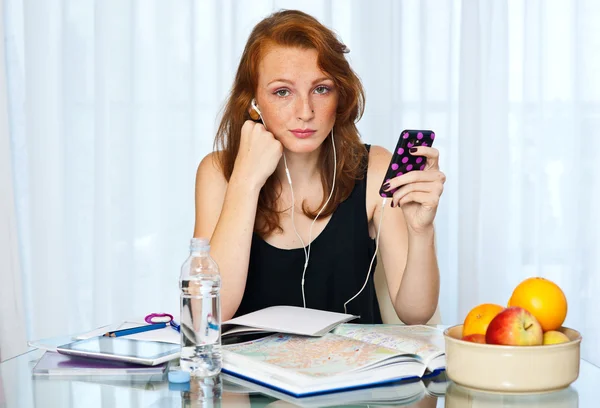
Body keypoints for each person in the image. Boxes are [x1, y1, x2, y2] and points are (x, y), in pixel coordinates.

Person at [193, 9, 445, 325]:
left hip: (354, 371)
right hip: (249, 374)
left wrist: (421, 230)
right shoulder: (218, 173)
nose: (306, 111)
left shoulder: (376, 169)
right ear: (252, 102)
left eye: (321, 89)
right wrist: (245, 182)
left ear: (341, 95)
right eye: (282, 91)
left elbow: (416, 313)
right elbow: (206, 316)